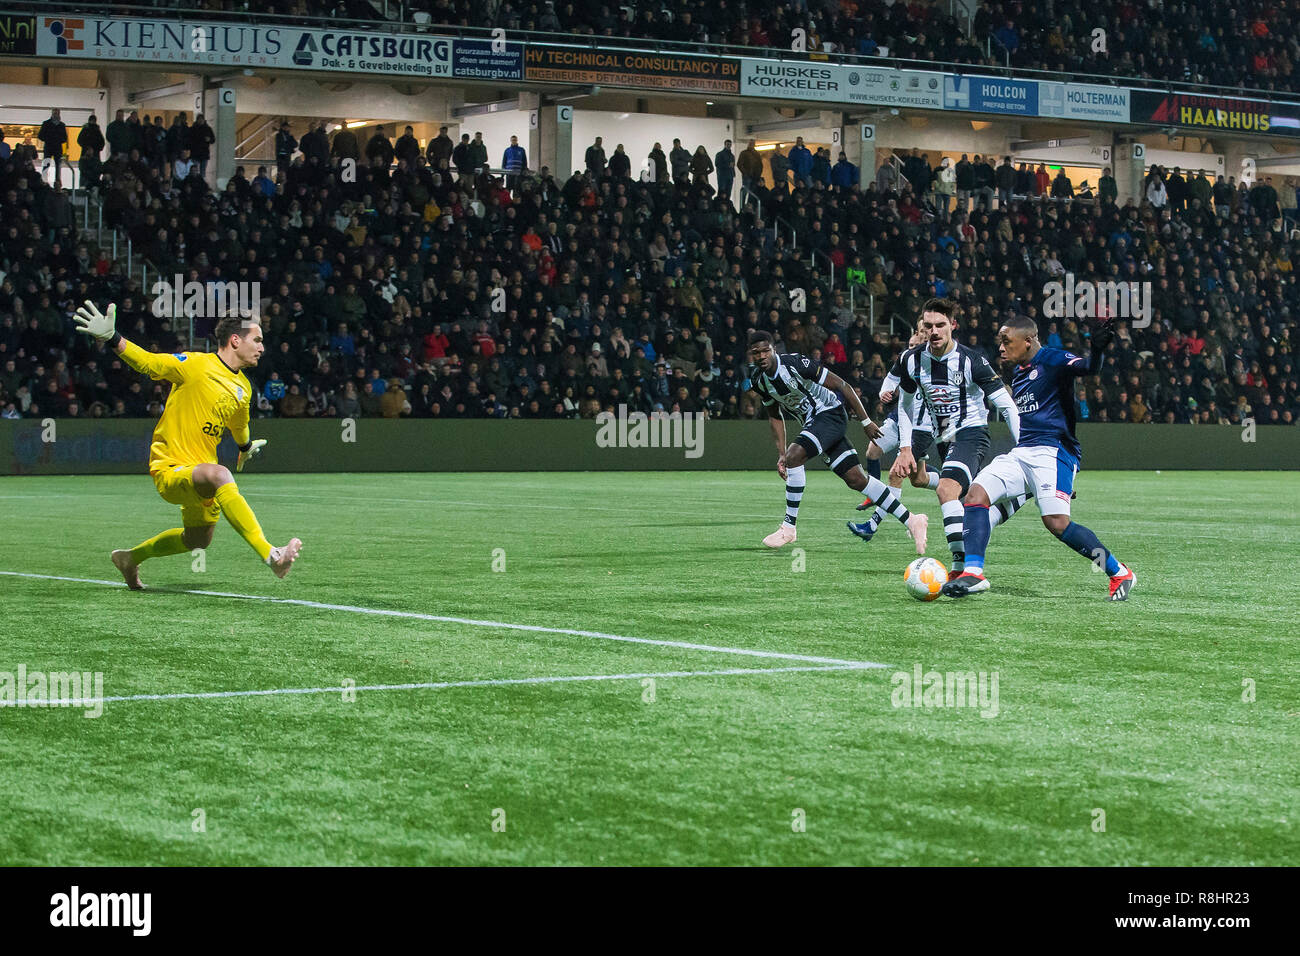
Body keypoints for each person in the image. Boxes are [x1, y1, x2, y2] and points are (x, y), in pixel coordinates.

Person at [71, 301, 303, 587]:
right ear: (235, 340)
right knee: (220, 474)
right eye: (257, 340)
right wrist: (112, 338)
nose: (262, 347)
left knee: (197, 540)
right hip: (170, 467)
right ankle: (272, 556)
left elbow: (239, 425)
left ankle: (129, 558)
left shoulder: (243, 388)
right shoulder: (194, 365)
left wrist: (245, 447)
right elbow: (148, 362)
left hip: (199, 476)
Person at [942, 314, 1136, 600]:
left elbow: (1089, 369)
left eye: (1007, 342)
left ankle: (1118, 571)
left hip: (1055, 451)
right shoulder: (1020, 371)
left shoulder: (1053, 359)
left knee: (1057, 523)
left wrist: (1097, 350)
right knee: (975, 495)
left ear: (1028, 341)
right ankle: (973, 572)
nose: (1001, 349)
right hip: (1023, 452)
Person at [746, 330, 927, 552]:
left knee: (796, 457)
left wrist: (866, 422)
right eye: (756, 353)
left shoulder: (795, 364)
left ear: (774, 349)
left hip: (829, 414)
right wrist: (781, 453)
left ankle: (788, 528)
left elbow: (843, 386)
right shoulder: (758, 380)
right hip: (815, 423)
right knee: (856, 479)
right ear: (751, 355)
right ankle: (912, 520)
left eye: (766, 350)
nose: (762, 356)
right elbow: (774, 415)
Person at [885, 299, 1021, 579]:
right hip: (943, 436)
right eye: (928, 325)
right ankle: (1023, 492)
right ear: (922, 327)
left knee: (946, 489)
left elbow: (1006, 406)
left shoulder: (972, 361)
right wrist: (905, 448)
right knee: (971, 497)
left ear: (952, 326)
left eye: (940, 325)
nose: (934, 331)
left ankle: (960, 569)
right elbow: (905, 406)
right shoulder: (911, 359)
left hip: (971, 432)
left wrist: (1025, 447)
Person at [38, 108, 68, 185]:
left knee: (57, 166)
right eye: (55, 113)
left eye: (57, 113)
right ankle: (44, 182)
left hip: (55, 148)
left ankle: (57, 183)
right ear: (52, 114)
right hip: (50, 147)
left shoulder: (61, 125)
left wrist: (52, 139)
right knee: (47, 165)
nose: (56, 115)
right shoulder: (47, 124)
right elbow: (40, 135)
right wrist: (51, 139)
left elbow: (65, 138)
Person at [77, 114, 105, 191]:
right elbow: (102, 143)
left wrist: (87, 147)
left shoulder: (86, 130)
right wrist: (94, 148)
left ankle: (85, 187)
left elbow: (79, 140)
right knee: (88, 171)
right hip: (93, 155)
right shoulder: (96, 131)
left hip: (88, 154)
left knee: (87, 172)